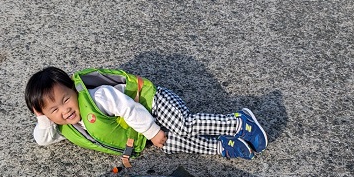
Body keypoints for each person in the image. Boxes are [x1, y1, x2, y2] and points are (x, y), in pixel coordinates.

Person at [25, 67, 268, 167]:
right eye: (53, 110)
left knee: (183, 125)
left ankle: (238, 122)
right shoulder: (63, 126)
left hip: (152, 104)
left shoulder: (97, 97)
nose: (64, 110)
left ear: (74, 89)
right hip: (140, 133)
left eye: (65, 99)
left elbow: (129, 108)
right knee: (173, 144)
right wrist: (43, 119)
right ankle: (221, 146)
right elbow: (42, 139)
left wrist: (152, 130)